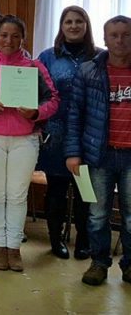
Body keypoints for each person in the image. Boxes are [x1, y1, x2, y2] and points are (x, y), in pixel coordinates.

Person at [0, 15, 59, 272]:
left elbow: (53, 100)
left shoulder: (34, 67)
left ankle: (14, 247)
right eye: (4, 35)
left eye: (15, 36)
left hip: (25, 140)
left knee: (16, 195)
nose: (9, 40)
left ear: (22, 39)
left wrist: (36, 112)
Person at [65, 15, 131, 286]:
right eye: (113, 35)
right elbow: (74, 116)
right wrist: (72, 152)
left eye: (125, 34)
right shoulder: (89, 71)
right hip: (98, 156)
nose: (119, 40)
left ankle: (129, 265)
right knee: (97, 214)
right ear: (104, 39)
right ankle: (98, 263)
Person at [37, 6, 96, 260]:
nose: (73, 26)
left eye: (78, 21)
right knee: (57, 191)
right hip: (55, 133)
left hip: (89, 134)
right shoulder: (48, 57)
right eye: (68, 21)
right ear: (61, 27)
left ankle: (84, 240)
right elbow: (37, 94)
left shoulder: (99, 57)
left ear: (86, 25)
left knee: (86, 191)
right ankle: (55, 239)